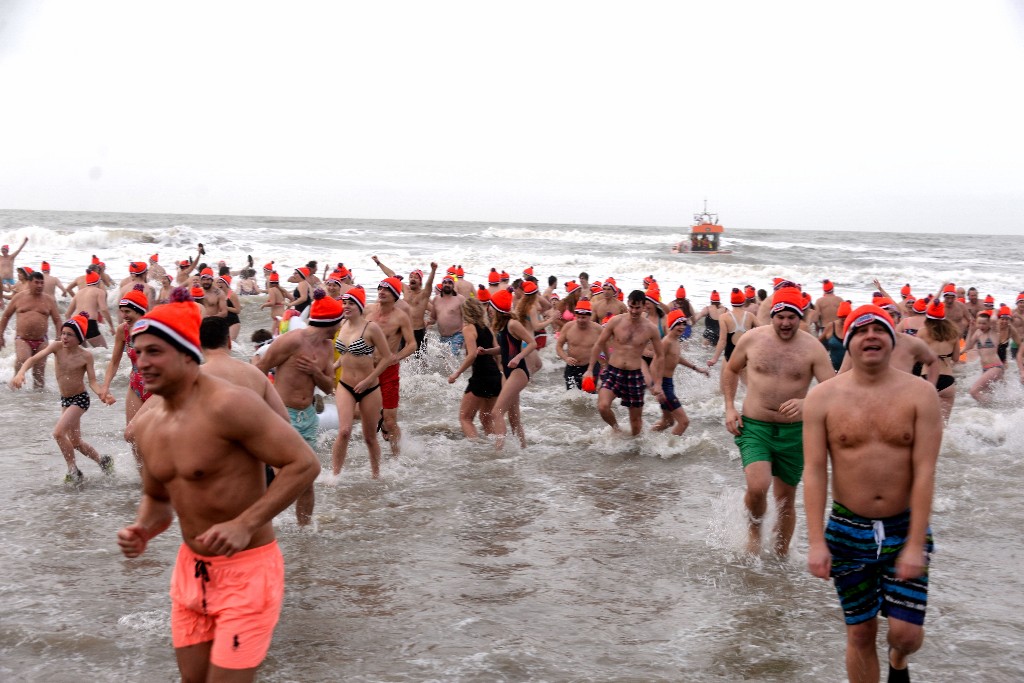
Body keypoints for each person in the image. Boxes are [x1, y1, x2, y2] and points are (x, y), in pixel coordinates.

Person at [116, 291, 320, 682]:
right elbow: (158, 500)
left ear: (186, 352)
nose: (142, 363)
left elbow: (303, 463)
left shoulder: (231, 405)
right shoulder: (146, 423)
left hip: (248, 571)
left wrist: (245, 523)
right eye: (138, 352)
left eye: (154, 352)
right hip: (190, 573)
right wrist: (143, 529)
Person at [804, 305, 942, 683]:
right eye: (860, 330)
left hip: (905, 526)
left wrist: (915, 543)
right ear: (848, 342)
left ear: (891, 338)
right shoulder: (822, 399)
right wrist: (816, 541)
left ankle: (899, 660)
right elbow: (815, 471)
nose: (870, 336)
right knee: (861, 632)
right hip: (848, 529)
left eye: (878, 329)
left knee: (906, 635)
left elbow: (926, 470)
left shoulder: (921, 394)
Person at [722, 286, 834, 556]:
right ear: (772, 315)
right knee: (758, 486)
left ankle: (781, 557)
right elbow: (731, 369)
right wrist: (729, 407)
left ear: (800, 317)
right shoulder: (751, 339)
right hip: (755, 426)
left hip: (794, 432)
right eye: (780, 317)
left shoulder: (812, 348)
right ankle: (754, 532)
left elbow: (833, 390)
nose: (785, 323)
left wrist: (808, 403)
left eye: (791, 317)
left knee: (785, 500)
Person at [255, 290, 341, 524]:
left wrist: (315, 371)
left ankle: (304, 532)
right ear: (330, 322)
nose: (341, 324)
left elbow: (329, 387)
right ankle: (260, 523)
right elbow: (261, 367)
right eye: (339, 320)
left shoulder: (326, 348)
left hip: (309, 418)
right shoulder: (292, 340)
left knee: (306, 479)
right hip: (283, 414)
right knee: (284, 475)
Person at [10, 311, 116, 481]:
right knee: (76, 442)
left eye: (69, 335)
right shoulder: (56, 347)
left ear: (79, 338)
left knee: (58, 433)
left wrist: (104, 394)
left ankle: (73, 471)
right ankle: (103, 461)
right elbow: (32, 359)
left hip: (80, 399)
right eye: (63, 333)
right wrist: (21, 373)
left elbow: (93, 382)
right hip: (66, 400)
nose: (64, 337)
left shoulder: (85, 356)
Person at [585, 290, 667, 436]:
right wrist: (590, 369)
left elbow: (660, 355)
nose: (634, 311)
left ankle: (634, 448)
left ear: (644, 307)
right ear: (628, 305)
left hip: (634, 375)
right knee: (603, 406)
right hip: (614, 371)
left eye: (638, 308)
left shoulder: (650, 328)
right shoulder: (616, 321)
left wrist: (658, 382)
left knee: (635, 424)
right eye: (631, 307)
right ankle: (617, 430)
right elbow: (599, 344)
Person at [329, 286, 392, 477]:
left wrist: (369, 380)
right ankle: (335, 475)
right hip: (346, 386)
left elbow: (387, 357)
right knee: (344, 432)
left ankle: (376, 475)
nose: (346, 307)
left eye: (350, 304)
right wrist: (330, 368)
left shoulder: (370, 328)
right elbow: (345, 356)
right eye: (344, 303)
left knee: (370, 437)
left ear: (359, 306)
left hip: (370, 388)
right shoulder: (342, 326)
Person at [366, 277, 416, 456]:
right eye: (380, 288)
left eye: (386, 290)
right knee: (361, 413)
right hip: (367, 370)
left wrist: (397, 357)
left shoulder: (400, 317)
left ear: (395, 295)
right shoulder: (368, 310)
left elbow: (412, 344)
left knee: (390, 420)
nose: (381, 291)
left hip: (388, 371)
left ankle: (397, 457)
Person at [99, 285, 152, 436]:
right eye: (122, 311)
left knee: (144, 433)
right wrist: (105, 386)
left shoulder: (154, 328)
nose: (123, 315)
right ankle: (139, 461)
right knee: (131, 437)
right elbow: (114, 362)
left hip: (157, 387)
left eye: (127, 311)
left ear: (139, 310)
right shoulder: (123, 330)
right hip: (135, 385)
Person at [447, 297, 502, 438]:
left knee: (465, 418)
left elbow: (472, 355)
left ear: (465, 312)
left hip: (481, 376)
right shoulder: (488, 328)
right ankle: (496, 448)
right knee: (486, 420)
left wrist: (456, 373)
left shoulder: (468, 328)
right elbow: (498, 352)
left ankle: (476, 449)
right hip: (495, 376)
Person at [489, 289, 537, 450]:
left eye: (491, 306)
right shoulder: (502, 325)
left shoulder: (513, 324)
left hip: (518, 373)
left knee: (496, 412)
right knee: (513, 418)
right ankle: (523, 449)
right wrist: (487, 351)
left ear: (497, 309)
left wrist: (518, 358)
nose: (488, 309)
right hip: (508, 373)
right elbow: (503, 349)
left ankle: (498, 451)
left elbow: (532, 343)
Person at [0, 271, 62, 388]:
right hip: (22, 339)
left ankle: (36, 403)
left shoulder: (48, 300)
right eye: (36, 282)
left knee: (39, 373)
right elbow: (6, 316)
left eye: (42, 283)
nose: (39, 285)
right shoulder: (19, 297)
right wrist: (0, 335)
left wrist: (59, 339)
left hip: (42, 340)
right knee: (22, 359)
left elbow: (58, 320)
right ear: (29, 282)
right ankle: (14, 390)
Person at [653, 310, 710, 435]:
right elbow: (654, 363)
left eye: (684, 324)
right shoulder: (666, 342)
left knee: (668, 421)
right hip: (663, 386)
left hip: (668, 384)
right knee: (684, 422)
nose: (682, 327)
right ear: (672, 325)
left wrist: (696, 368)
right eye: (678, 324)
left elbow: (677, 358)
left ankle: (644, 439)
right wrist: (657, 386)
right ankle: (669, 449)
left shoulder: (676, 340)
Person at [556, 298, 602, 390]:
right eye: (578, 317)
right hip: (572, 367)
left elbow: (607, 347)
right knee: (571, 398)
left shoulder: (598, 329)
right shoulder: (568, 327)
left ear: (590, 316)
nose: (580, 320)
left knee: (589, 398)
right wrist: (566, 358)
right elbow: (558, 346)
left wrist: (605, 365)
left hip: (590, 367)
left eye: (583, 317)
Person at [708, 288, 757, 367]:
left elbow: (722, 341)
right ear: (743, 301)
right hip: (746, 355)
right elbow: (763, 331)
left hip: (730, 355)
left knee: (726, 378)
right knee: (746, 378)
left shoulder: (724, 317)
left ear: (731, 302)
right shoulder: (750, 316)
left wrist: (714, 359)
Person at [66, 270, 115, 347]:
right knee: (104, 353)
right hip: (89, 323)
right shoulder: (99, 292)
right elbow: (104, 309)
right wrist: (111, 326)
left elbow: (67, 314)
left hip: (75, 324)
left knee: (82, 353)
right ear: (98, 281)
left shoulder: (79, 293)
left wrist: (69, 328)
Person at [964, 310, 1003, 405]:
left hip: (995, 367)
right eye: (979, 323)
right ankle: (993, 413)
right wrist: (970, 329)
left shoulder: (993, 331)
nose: (981, 326)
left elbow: (994, 320)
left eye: (984, 323)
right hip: (985, 369)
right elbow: (968, 347)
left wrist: (994, 311)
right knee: (988, 395)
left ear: (989, 323)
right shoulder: (977, 333)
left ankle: (993, 408)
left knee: (973, 391)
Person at [430, 275, 466, 354]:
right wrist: (426, 323)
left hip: (457, 335)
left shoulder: (460, 299)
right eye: (445, 282)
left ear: (453, 285)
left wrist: (466, 337)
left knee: (452, 356)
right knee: (445, 361)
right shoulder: (436, 299)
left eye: (450, 283)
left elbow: (466, 318)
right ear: (442, 284)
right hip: (443, 337)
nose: (447, 284)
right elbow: (433, 318)